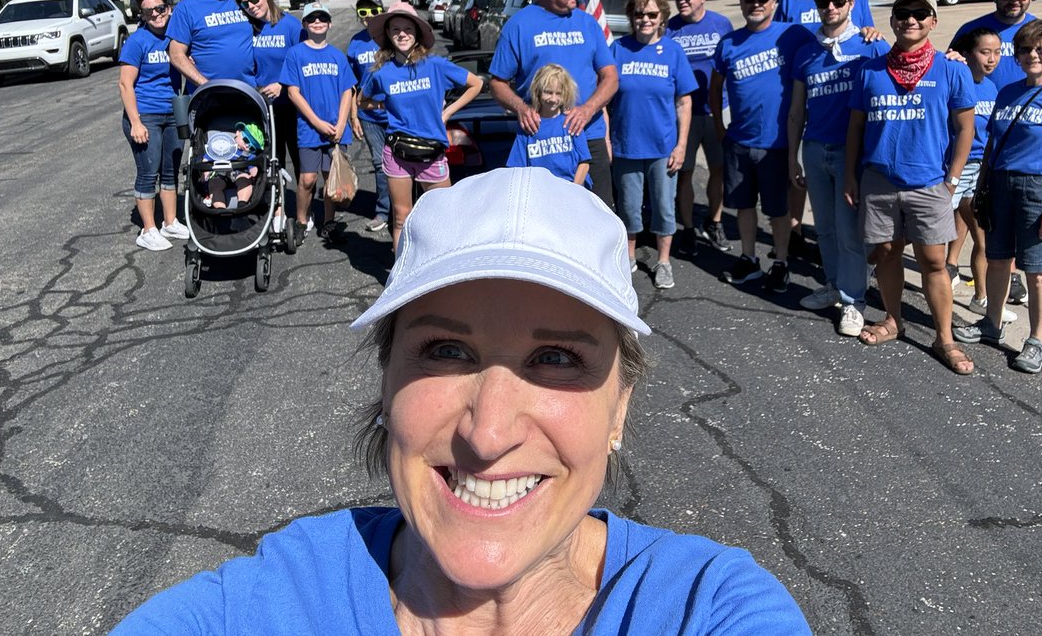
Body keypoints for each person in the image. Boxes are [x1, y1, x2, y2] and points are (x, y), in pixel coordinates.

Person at [112, 166, 813, 635]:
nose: (489, 432)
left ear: (620, 408)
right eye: (446, 351)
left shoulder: (702, 608)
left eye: (557, 358)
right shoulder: (283, 600)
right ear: (387, 384)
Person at [843, 0, 976, 375]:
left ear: (933, 21)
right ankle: (893, 320)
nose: (910, 19)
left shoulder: (951, 69)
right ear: (893, 20)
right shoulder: (870, 71)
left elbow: (965, 128)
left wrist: (952, 178)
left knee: (934, 260)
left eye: (920, 13)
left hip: (930, 183)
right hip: (879, 180)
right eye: (903, 12)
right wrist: (852, 176)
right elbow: (855, 127)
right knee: (885, 251)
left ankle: (944, 338)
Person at [953, 19, 1042, 375]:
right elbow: (994, 146)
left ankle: (1036, 340)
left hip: (1040, 188)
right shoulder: (1007, 92)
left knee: (1037, 271)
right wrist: (983, 186)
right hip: (1000, 184)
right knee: (998, 259)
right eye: (1027, 49)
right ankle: (991, 324)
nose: (1033, 55)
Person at [954, 0, 1042, 308]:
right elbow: (951, 68)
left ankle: (1003, 283)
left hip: (1026, 140)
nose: (1014, 0)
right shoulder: (972, 30)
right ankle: (952, 267)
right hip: (984, 134)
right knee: (971, 209)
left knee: (998, 229)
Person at [786, 0, 887, 337]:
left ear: (851, 3)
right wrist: (792, 157)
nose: (831, 8)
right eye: (824, 3)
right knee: (825, 228)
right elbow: (797, 110)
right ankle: (833, 285)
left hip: (851, 153)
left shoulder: (870, 45)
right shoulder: (807, 52)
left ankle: (854, 300)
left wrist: (952, 57)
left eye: (839, 2)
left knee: (848, 231)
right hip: (815, 148)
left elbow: (909, 68)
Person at [774, 0, 881, 262]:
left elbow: (865, 31)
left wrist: (871, 33)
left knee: (847, 187)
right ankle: (794, 231)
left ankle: (857, 257)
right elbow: (777, 38)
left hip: (842, 92)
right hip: (803, 81)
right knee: (802, 171)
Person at [489, 0, 619, 209]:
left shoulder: (587, 23)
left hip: (587, 135)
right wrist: (522, 108)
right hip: (541, 141)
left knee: (599, 214)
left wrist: (587, 109)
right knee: (545, 217)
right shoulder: (519, 25)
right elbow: (497, 83)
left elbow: (611, 77)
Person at [708, 0, 811, 293]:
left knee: (778, 210)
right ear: (742, 2)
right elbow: (715, 88)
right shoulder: (729, 43)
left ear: (773, 3)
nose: (755, 4)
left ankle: (780, 263)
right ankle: (749, 259)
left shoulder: (792, 34)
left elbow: (830, 46)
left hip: (777, 145)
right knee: (743, 206)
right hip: (739, 141)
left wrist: (867, 34)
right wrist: (721, 128)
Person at [360, 1, 482, 252]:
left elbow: (476, 84)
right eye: (395, 30)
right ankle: (401, 276)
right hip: (397, 153)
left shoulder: (435, 65)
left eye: (407, 28)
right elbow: (362, 101)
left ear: (417, 33)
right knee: (402, 216)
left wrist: (447, 112)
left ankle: (442, 272)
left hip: (432, 151)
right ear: (388, 35)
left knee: (445, 215)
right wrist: (385, 107)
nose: (402, 34)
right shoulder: (382, 72)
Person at [609, 0, 698, 291]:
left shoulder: (673, 52)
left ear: (662, 18)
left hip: (663, 147)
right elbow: (605, 98)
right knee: (629, 207)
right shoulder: (617, 49)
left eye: (651, 14)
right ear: (631, 17)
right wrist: (608, 139)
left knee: (663, 206)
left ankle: (663, 262)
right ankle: (630, 257)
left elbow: (684, 102)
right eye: (639, 14)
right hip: (626, 145)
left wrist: (682, 144)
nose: (644, 19)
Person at [942, 28, 1016, 325]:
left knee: (983, 238)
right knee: (923, 233)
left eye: (997, 52)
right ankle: (875, 265)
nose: (993, 58)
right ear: (968, 52)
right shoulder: (952, 75)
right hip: (952, 169)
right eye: (985, 52)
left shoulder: (992, 88)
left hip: (982, 171)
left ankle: (981, 299)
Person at [664, 0, 735, 257]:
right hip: (684, 114)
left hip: (719, 109)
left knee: (718, 170)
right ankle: (690, 229)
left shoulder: (722, 24)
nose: (682, 1)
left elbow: (732, 65)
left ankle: (714, 221)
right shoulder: (669, 28)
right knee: (685, 173)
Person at [280, 2, 356, 245]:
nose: (317, 22)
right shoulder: (296, 54)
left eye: (322, 18)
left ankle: (329, 222)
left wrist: (342, 122)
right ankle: (302, 221)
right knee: (307, 179)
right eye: (312, 19)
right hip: (310, 128)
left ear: (329, 23)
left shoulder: (337, 56)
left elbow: (347, 91)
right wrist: (317, 122)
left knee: (330, 177)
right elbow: (293, 93)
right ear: (304, 24)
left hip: (336, 129)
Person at [117, 0, 187, 251]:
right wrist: (135, 122)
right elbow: (125, 84)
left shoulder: (175, 39)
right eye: (149, 11)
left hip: (172, 113)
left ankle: (170, 221)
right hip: (145, 115)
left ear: (169, 8)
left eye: (160, 8)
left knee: (170, 170)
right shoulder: (138, 41)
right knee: (149, 172)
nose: (156, 14)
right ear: (142, 15)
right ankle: (148, 229)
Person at [236, 0, 302, 189]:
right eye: (246, 4)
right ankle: (278, 208)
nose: (252, 6)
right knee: (273, 160)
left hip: (292, 103)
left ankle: (305, 212)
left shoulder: (290, 25)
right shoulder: (248, 29)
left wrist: (283, 85)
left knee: (300, 159)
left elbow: (304, 63)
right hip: (263, 106)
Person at [167, 0, 256, 89]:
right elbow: (176, 55)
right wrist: (207, 86)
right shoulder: (186, 8)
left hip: (249, 91)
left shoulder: (244, 0)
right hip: (208, 97)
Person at [505, 63, 591, 186]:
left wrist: (574, 190)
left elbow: (584, 163)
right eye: (548, 92)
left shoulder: (571, 122)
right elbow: (517, 168)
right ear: (538, 92)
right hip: (539, 193)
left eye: (558, 93)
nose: (553, 99)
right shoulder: (529, 125)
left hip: (571, 190)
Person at [346, 0, 390, 233]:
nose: (368, 16)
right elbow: (353, 85)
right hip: (368, 115)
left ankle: (406, 208)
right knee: (379, 163)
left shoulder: (392, 37)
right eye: (363, 12)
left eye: (373, 10)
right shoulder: (355, 43)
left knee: (404, 161)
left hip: (394, 113)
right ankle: (383, 211)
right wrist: (354, 116)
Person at [200, 124, 261, 209]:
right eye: (246, 140)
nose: (247, 146)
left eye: (252, 147)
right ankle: (220, 208)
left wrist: (253, 170)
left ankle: (242, 204)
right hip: (220, 173)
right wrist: (205, 172)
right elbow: (207, 158)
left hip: (240, 171)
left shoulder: (248, 154)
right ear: (238, 133)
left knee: (245, 181)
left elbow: (252, 164)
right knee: (214, 186)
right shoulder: (223, 145)